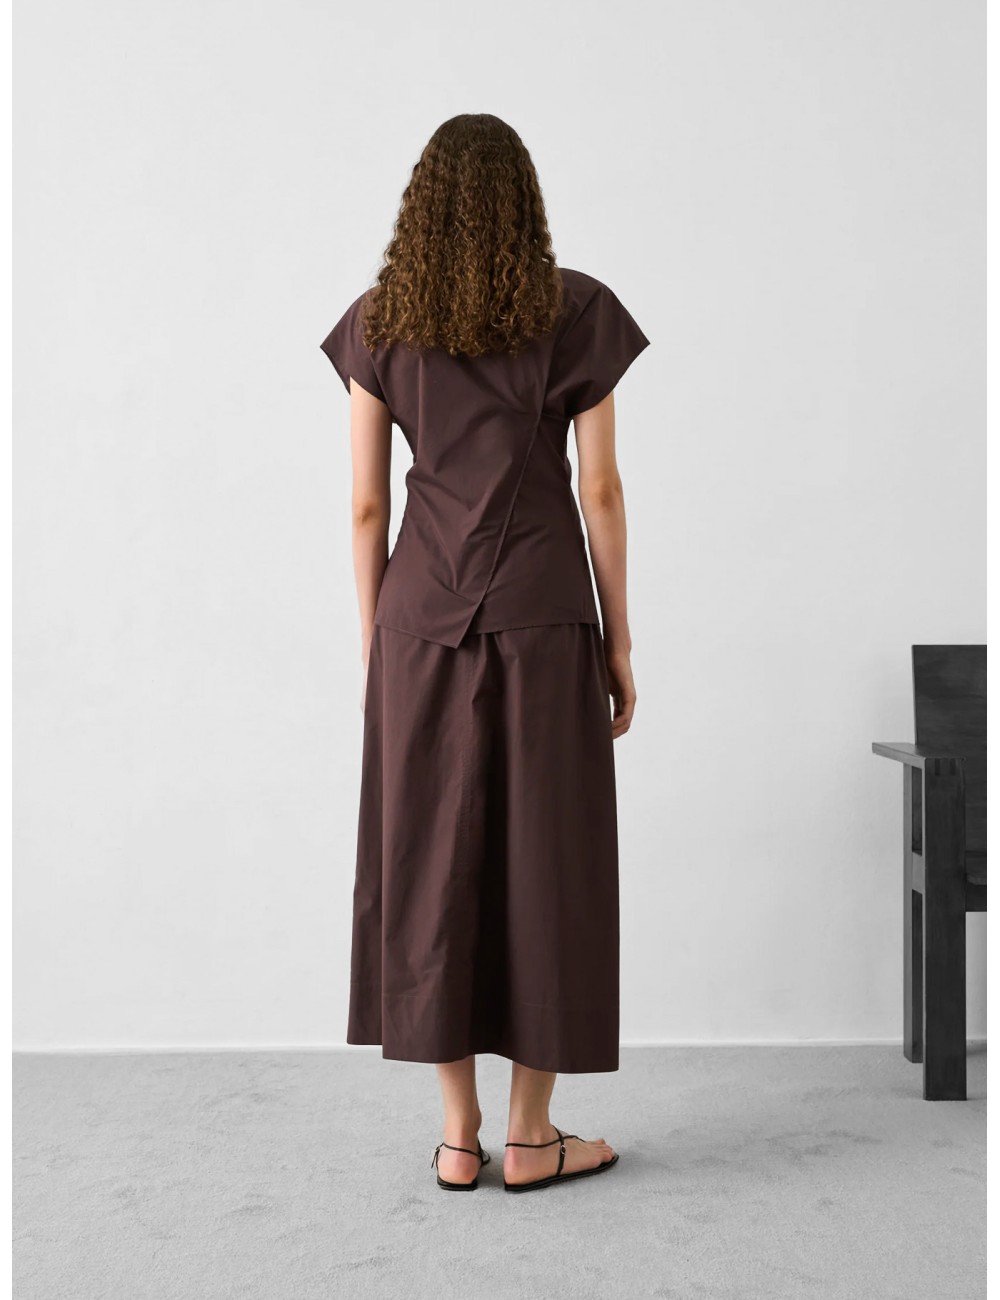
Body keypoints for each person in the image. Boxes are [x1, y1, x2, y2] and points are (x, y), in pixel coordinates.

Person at [320, 113, 649, 1193]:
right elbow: (600, 491)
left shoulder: (380, 322)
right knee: (549, 861)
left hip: (420, 622)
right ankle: (532, 1134)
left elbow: (366, 507)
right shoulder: (575, 311)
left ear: (420, 206)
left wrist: (376, 647)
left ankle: (458, 1136)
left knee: (431, 863)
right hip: (546, 617)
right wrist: (620, 642)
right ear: (524, 203)